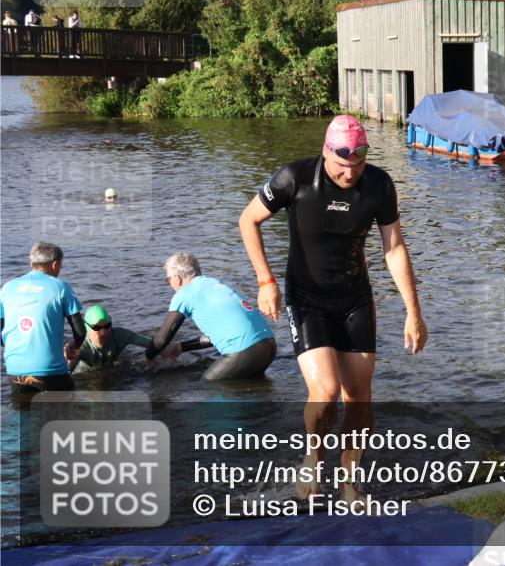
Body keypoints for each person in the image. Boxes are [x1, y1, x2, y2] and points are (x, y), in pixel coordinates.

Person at [239, 114, 428, 500]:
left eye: (358, 164)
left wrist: (413, 311)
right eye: (343, 165)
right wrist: (265, 281)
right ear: (326, 154)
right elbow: (248, 220)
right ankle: (313, 456)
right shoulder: (294, 179)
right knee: (324, 391)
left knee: (358, 396)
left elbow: (393, 248)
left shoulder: (378, 184)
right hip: (306, 299)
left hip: (355, 299)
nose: (350, 173)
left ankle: (349, 482)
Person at [145, 252, 276, 380]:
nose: (169, 284)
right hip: (268, 345)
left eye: (168, 280)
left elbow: (162, 338)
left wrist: (149, 356)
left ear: (177, 278)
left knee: (208, 387)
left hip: (245, 350)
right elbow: (220, 334)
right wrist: (182, 347)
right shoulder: (215, 283)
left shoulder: (184, 293)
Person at [0, 242, 85, 393]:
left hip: (15, 369)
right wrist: (74, 348)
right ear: (55, 264)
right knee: (67, 410)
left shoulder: (7, 288)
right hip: (50, 370)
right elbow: (80, 331)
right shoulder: (61, 287)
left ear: (31, 262)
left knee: (24, 412)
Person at [69, 304, 157, 373]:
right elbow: (66, 373)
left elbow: (155, 344)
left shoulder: (120, 335)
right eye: (97, 328)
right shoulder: (80, 346)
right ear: (86, 328)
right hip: (87, 374)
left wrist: (155, 355)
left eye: (107, 326)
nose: (103, 333)